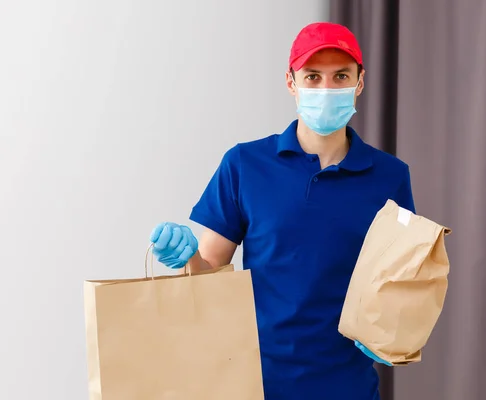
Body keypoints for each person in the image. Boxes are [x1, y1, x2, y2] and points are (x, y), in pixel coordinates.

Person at [150, 22, 415, 400]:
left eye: (341, 76)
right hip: (255, 384)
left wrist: (395, 331)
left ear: (359, 82)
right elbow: (208, 275)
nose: (327, 90)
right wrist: (187, 254)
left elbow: (402, 282)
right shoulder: (245, 165)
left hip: (348, 386)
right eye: (312, 76)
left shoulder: (390, 176)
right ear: (291, 83)